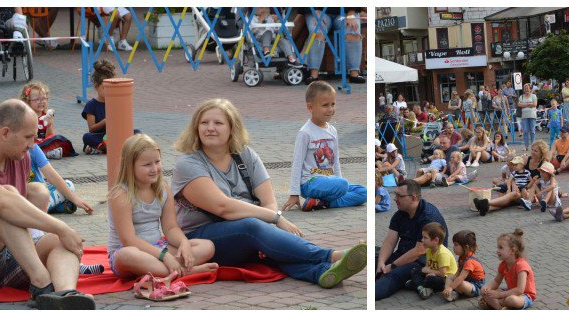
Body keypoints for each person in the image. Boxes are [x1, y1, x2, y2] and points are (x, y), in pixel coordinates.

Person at [171, 98, 366, 288]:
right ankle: (330, 256)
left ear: (232, 128)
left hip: (248, 232)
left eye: (218, 123)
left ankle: (321, 272)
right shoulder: (188, 164)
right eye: (204, 122)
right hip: (203, 241)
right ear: (196, 127)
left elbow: (269, 202)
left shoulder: (246, 155)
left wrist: (270, 224)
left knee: (272, 246)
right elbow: (223, 208)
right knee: (252, 227)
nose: (210, 128)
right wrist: (275, 219)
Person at [0, 99, 95, 309]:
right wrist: (61, 227)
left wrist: (61, 234)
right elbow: (2, 204)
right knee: (7, 198)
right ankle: (42, 284)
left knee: (62, 240)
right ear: (5, 133)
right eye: (28, 137)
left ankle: (64, 295)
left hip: (8, 261)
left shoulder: (21, 156)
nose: (32, 145)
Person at [108, 134, 218, 280]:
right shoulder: (121, 194)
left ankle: (170, 269)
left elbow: (171, 228)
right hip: (130, 251)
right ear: (130, 166)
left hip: (158, 247)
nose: (154, 169)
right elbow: (129, 239)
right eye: (147, 165)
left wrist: (183, 243)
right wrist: (164, 256)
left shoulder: (163, 189)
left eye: (157, 162)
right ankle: (186, 271)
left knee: (207, 246)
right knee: (126, 255)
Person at [283, 81, 366, 212]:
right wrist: (294, 194)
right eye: (325, 105)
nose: (331, 109)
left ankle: (322, 203)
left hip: (330, 182)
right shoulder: (305, 133)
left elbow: (336, 160)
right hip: (310, 184)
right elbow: (296, 164)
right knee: (343, 185)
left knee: (364, 192)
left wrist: (338, 180)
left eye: (333, 104)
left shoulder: (332, 130)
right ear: (310, 107)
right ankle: (325, 199)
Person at [376, 180, 448, 300]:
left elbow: (419, 251)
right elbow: (389, 241)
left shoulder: (428, 217)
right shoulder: (400, 214)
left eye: (399, 195)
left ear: (413, 198)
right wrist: (381, 262)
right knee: (374, 261)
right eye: (395, 194)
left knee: (393, 275)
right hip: (404, 254)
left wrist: (391, 267)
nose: (395, 199)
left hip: (423, 261)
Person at [81, 60, 141, 154]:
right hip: (101, 135)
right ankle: (107, 147)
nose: (108, 91)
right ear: (96, 86)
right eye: (105, 88)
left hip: (116, 134)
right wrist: (105, 122)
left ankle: (116, 147)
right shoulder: (91, 105)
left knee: (137, 132)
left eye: (111, 88)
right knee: (87, 137)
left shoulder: (116, 102)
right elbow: (92, 128)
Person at [303, 8, 365, 84]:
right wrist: (316, 13)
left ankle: (354, 74)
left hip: (345, 12)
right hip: (317, 10)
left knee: (353, 31)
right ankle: (313, 75)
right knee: (317, 32)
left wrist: (351, 13)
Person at [479, 229, 536, 310]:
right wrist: (488, 288)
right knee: (484, 291)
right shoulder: (503, 264)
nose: (497, 251)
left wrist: (499, 296)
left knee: (511, 300)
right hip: (510, 291)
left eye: (500, 248)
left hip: (525, 295)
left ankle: (496, 304)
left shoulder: (521, 265)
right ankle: (501, 307)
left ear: (512, 250)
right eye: (497, 247)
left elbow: (520, 290)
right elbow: (497, 281)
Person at [406, 221, 456, 300]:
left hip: (445, 280)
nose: (422, 240)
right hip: (433, 273)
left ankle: (419, 286)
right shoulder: (429, 249)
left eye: (425, 238)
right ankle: (422, 288)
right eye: (422, 237)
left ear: (436, 240)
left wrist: (429, 272)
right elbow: (427, 266)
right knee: (414, 271)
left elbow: (442, 274)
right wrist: (427, 272)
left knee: (430, 280)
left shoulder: (442, 254)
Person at [443, 230, 486, 302]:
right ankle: (447, 292)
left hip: (476, 286)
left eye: (456, 245)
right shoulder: (462, 257)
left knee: (460, 282)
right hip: (467, 281)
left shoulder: (469, 262)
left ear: (466, 247)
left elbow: (461, 277)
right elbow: (458, 272)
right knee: (450, 276)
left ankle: (450, 292)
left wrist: (451, 286)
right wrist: (452, 279)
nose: (453, 247)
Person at [517, 84, 537, 151]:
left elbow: (535, 104)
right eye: (525, 88)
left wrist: (524, 104)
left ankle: (533, 146)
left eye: (527, 88)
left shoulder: (533, 96)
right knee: (525, 131)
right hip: (524, 116)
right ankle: (526, 146)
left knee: (532, 131)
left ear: (530, 89)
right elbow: (519, 104)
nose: (526, 89)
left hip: (532, 115)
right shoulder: (521, 96)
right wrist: (529, 104)